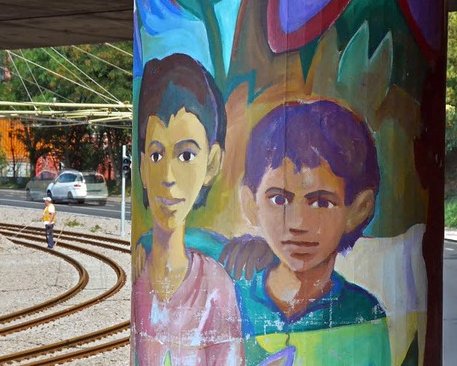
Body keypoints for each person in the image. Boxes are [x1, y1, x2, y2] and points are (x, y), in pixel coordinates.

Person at [237, 99, 391, 365]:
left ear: (358, 209)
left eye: (321, 202)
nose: (297, 223)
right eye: (279, 200)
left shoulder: (364, 315)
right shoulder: (230, 300)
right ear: (251, 205)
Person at [132, 53, 245, 365]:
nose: (167, 177)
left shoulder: (215, 286)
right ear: (142, 167)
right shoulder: (140, 275)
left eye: (185, 156)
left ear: (212, 164)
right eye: (156, 155)